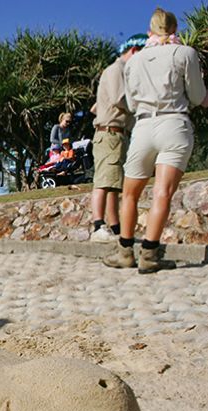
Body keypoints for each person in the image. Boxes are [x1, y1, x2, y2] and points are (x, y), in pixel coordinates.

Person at [104, 8, 208, 273]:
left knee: (130, 193)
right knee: (163, 191)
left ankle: (124, 251)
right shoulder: (185, 54)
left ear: (150, 30)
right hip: (174, 123)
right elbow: (197, 96)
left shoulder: (134, 61)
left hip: (144, 126)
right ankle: (150, 254)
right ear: (175, 30)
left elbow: (130, 102)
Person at [89, 33, 148, 243]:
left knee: (114, 182)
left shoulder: (122, 72)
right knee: (103, 181)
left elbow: (97, 106)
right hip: (110, 133)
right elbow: (118, 99)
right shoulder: (116, 71)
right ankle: (98, 226)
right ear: (134, 51)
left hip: (118, 134)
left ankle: (115, 227)